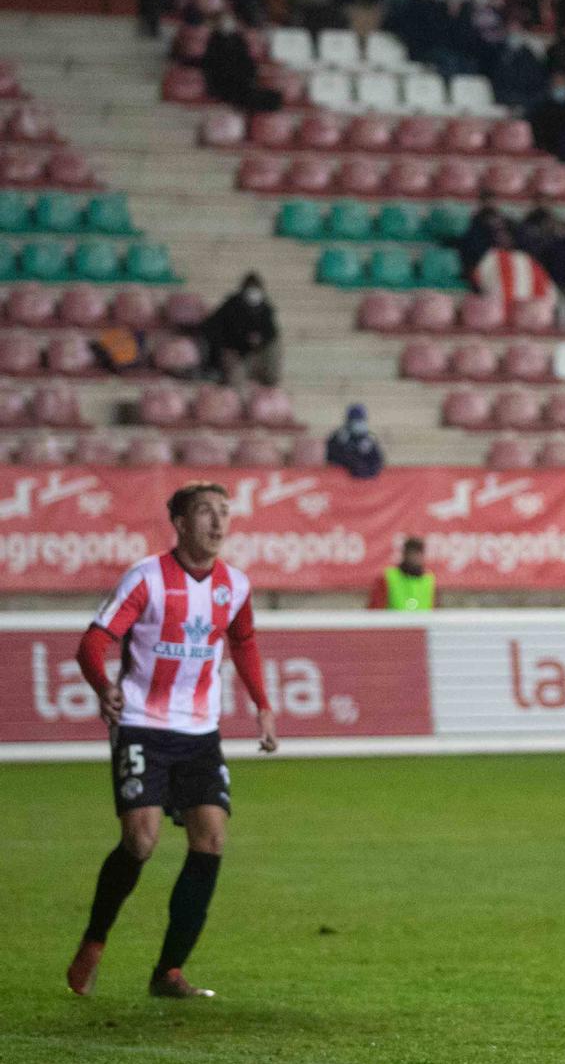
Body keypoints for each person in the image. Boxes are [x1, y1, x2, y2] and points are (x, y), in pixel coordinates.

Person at [66, 482, 280, 1002]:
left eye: (225, 512)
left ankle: (168, 972)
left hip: (199, 731)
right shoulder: (146, 578)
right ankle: (95, 941)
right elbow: (93, 642)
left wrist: (263, 705)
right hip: (141, 722)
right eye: (206, 511)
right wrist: (105, 687)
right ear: (180, 523)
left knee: (210, 839)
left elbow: (243, 640)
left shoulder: (235, 585)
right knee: (141, 840)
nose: (218, 522)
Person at [199, 274, 281, 386]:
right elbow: (214, 328)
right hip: (236, 354)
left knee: (274, 344)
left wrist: (260, 338)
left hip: (256, 354)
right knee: (236, 381)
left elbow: (271, 332)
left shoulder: (265, 308)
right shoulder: (232, 306)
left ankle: (270, 379)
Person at [200, 12, 282, 113]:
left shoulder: (238, 39)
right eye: (223, 21)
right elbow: (210, 64)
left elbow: (246, 61)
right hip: (222, 81)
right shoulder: (212, 41)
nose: (227, 24)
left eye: (229, 21)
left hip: (242, 81)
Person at [369, 536, 437, 610]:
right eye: (412, 553)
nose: (415, 558)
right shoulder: (388, 577)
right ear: (404, 554)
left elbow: (433, 608)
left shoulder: (429, 579)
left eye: (418, 553)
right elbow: (376, 610)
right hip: (393, 621)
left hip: (422, 621)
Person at [325, 403, 384, 478]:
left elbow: (377, 459)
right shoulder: (339, 437)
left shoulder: (367, 439)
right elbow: (334, 459)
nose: (359, 423)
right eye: (356, 420)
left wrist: (369, 471)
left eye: (361, 420)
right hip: (343, 477)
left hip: (366, 477)